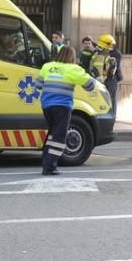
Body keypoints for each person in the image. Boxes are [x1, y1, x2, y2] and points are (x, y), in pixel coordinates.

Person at [34, 45, 95, 176]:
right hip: (62, 106)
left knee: (53, 133)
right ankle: (49, 167)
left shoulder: (47, 66)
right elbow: (90, 86)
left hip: (47, 106)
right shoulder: (74, 69)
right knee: (59, 137)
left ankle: (46, 160)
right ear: (72, 57)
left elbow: (37, 85)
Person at [94, 33, 123, 118]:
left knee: (111, 97)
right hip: (101, 79)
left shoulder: (116, 53)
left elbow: (113, 67)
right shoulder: (99, 53)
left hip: (111, 78)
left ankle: (113, 115)